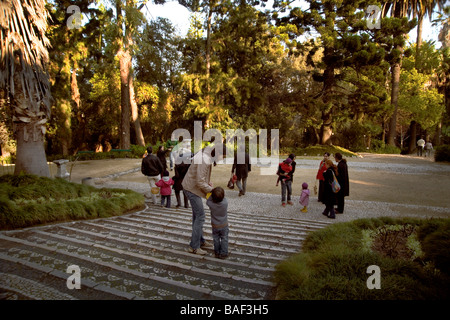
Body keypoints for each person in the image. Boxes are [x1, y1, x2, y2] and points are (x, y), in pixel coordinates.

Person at [182, 144, 224, 255]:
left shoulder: (208, 154)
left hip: (191, 186)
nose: (222, 158)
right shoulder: (205, 159)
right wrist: (212, 190)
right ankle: (194, 247)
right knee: (200, 216)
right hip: (191, 188)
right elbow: (199, 182)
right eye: (222, 156)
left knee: (197, 216)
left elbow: (201, 177)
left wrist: (207, 183)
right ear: (218, 153)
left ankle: (200, 241)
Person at [206, 187, 229, 259]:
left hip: (215, 225)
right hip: (224, 224)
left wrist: (211, 191)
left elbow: (208, 198)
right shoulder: (225, 203)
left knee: (216, 239)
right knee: (224, 238)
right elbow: (224, 197)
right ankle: (224, 253)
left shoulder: (210, 204)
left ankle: (217, 252)